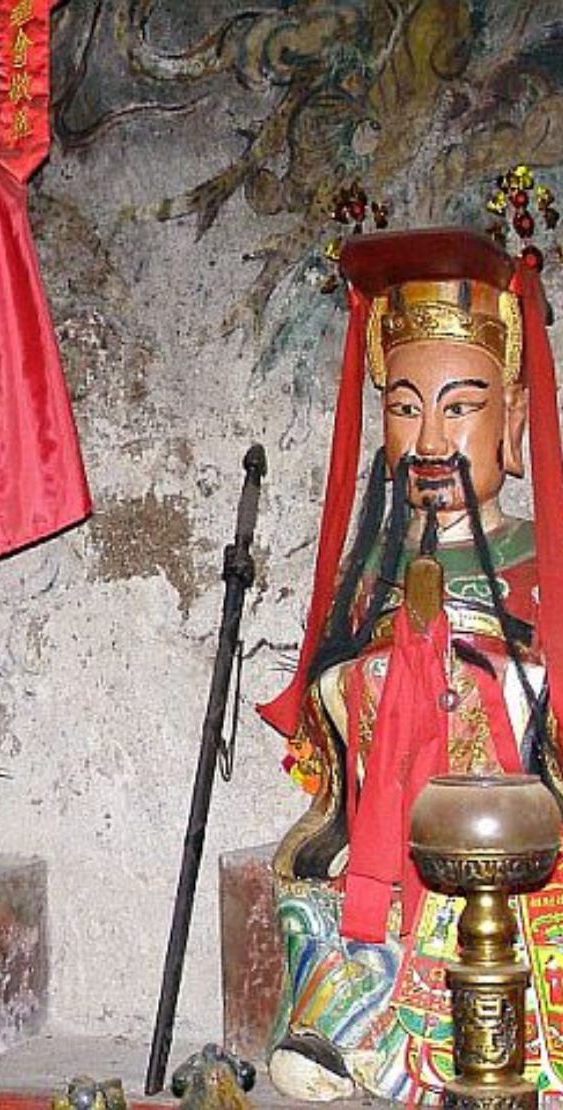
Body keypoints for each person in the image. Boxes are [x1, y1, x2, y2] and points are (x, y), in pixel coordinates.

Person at [260, 227, 563, 1101]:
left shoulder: (541, 558)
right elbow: (324, 690)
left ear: (511, 418)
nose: (429, 437)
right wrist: (363, 686)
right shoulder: (376, 566)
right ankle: (349, 1032)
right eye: (403, 406)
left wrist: (491, 682)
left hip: (516, 835)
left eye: (459, 407)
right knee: (307, 879)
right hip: (392, 827)